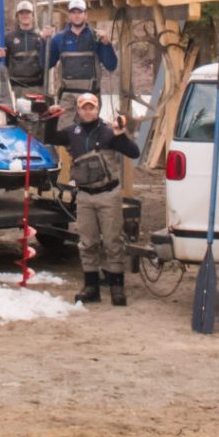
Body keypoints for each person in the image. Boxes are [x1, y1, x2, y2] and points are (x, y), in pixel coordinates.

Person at [57, 90, 140, 305]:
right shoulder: (72, 132)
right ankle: (91, 286)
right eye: (83, 107)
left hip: (108, 195)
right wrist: (51, 116)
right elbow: (49, 137)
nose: (87, 111)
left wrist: (121, 134)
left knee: (113, 242)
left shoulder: (108, 132)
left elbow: (134, 153)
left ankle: (117, 287)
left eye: (91, 107)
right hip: (84, 195)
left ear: (97, 108)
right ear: (78, 110)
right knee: (87, 242)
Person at [46, 0, 118, 107]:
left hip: (90, 97)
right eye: (73, 12)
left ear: (86, 15)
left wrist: (107, 45)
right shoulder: (59, 38)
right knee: (65, 125)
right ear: (69, 16)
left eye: (80, 12)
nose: (77, 15)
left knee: (91, 124)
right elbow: (46, 64)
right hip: (67, 98)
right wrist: (44, 42)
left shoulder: (96, 37)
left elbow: (111, 65)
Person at [1, 0, 48, 97]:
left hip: (36, 87)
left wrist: (47, 40)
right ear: (17, 16)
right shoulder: (9, 37)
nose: (25, 15)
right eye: (21, 13)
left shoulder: (41, 37)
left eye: (27, 13)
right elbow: (2, 63)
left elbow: (48, 61)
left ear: (33, 15)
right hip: (15, 88)